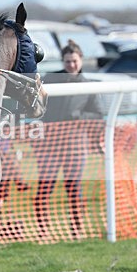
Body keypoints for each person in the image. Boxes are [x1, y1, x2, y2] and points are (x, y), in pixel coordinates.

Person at [33, 40, 103, 240]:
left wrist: (78, 116)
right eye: (68, 61)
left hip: (75, 145)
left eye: (74, 61)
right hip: (49, 145)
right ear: (63, 61)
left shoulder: (87, 86)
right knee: (45, 187)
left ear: (80, 60)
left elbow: (98, 114)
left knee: (74, 189)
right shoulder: (51, 79)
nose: (71, 65)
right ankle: (42, 230)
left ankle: (76, 229)